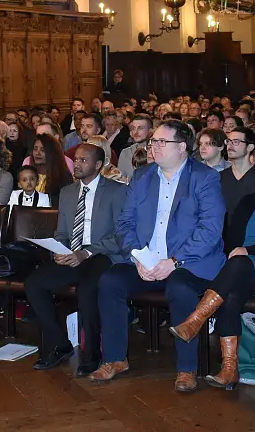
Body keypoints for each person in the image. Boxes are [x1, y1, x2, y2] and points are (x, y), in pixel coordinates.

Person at [91, 120, 226, 391]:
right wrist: (137, 256)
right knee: (110, 281)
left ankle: (187, 368)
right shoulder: (143, 176)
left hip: (188, 263)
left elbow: (210, 230)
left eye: (162, 142)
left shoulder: (204, 177)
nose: (154, 146)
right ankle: (115, 359)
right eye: (154, 141)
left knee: (180, 287)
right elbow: (125, 223)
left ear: (182, 147)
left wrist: (174, 261)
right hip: (146, 261)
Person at [169, 144, 255, 389]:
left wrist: (250, 252)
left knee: (239, 263)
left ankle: (196, 319)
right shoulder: (248, 202)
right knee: (230, 295)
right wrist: (242, 253)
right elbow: (232, 239)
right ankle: (230, 369)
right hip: (243, 268)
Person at [24, 144, 127, 375]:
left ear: (98, 165)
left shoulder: (117, 191)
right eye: (76, 159)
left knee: (87, 290)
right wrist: (58, 250)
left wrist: (85, 253)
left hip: (101, 255)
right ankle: (59, 344)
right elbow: (62, 232)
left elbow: (120, 237)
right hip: (73, 254)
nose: (77, 164)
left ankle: (92, 355)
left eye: (83, 160)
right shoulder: (68, 192)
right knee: (34, 283)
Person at [220, 127, 255, 222]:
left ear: (250, 147)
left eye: (236, 142)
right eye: (228, 141)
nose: (230, 145)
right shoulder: (220, 177)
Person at [29, 134, 74, 205]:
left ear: (52, 153)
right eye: (35, 149)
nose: (37, 153)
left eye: (43, 150)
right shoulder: (28, 173)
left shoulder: (64, 177)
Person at [117, 114, 152, 181]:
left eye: (140, 128)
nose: (135, 132)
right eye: (133, 128)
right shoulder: (126, 153)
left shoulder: (156, 152)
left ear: (150, 130)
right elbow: (120, 181)